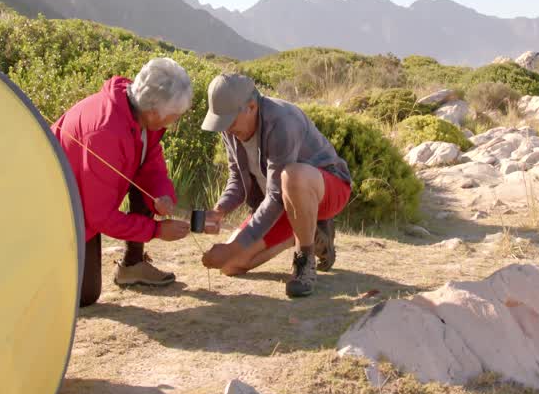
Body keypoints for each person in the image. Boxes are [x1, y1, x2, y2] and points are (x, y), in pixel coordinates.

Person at [52, 58, 193, 308]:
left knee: (146, 185)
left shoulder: (137, 109)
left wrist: (162, 195)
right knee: (84, 297)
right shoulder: (105, 133)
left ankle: (133, 266)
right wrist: (157, 231)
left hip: (86, 200)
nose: (175, 121)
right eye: (174, 115)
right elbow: (100, 217)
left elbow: (150, 163)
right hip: (58, 210)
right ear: (153, 112)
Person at [198, 73, 352, 298]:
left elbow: (277, 194)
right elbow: (237, 178)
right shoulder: (230, 128)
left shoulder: (282, 121)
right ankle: (308, 232)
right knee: (230, 265)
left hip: (328, 189)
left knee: (293, 175)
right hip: (283, 203)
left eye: (229, 121)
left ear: (251, 106)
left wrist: (234, 246)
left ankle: (304, 259)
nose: (226, 129)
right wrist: (219, 210)